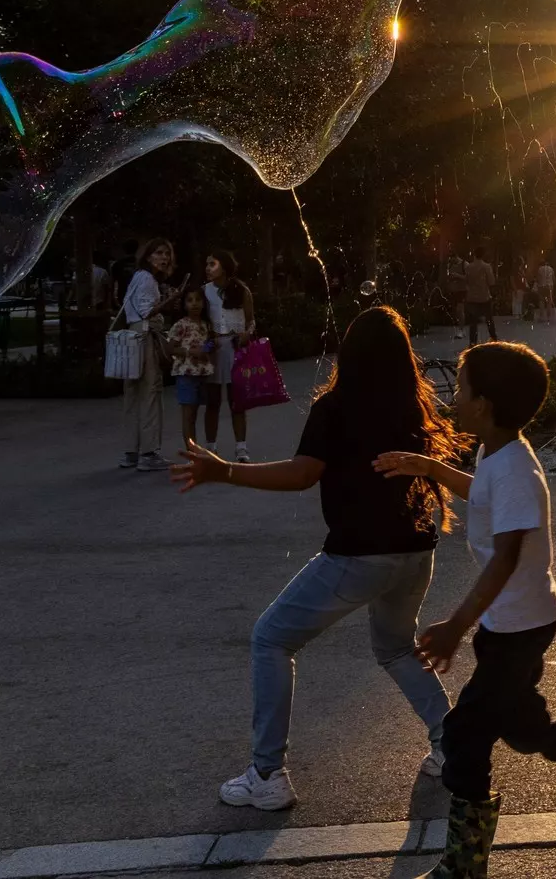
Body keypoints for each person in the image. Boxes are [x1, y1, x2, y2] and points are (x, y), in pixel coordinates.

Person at [376, 341, 556, 874]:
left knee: (464, 736)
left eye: (460, 389)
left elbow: (505, 557)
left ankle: (464, 865)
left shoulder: (514, 470)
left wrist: (455, 626)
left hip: (517, 629)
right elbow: (481, 495)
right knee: (525, 729)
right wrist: (428, 466)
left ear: (484, 404)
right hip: (514, 623)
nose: (452, 398)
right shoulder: (497, 453)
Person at [172, 307, 458, 810]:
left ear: (349, 353)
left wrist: (225, 473)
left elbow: (303, 473)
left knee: (271, 638)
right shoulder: (411, 405)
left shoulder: (337, 406)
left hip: (360, 555)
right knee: (394, 648)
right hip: (415, 551)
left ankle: (267, 773)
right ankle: (451, 744)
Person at [119, 237, 178, 472]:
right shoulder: (147, 279)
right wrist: (169, 301)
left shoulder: (138, 277)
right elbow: (146, 312)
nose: (164, 258)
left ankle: (130, 451)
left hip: (132, 337)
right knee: (150, 393)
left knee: (132, 395)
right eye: (159, 253)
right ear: (148, 256)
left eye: (167, 254)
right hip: (144, 336)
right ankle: (149, 453)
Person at [203, 250, 258, 462]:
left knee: (237, 402)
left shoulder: (241, 290)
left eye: (212, 264)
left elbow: (251, 320)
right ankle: (211, 447)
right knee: (213, 401)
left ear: (224, 267)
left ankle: (241, 448)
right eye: (206, 264)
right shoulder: (204, 292)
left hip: (236, 349)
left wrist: (246, 334)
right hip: (214, 351)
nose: (208, 268)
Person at [166, 286, 215, 446]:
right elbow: (170, 348)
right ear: (184, 304)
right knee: (188, 415)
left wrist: (210, 347)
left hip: (202, 373)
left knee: (196, 413)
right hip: (186, 373)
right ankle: (191, 451)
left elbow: (209, 344)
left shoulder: (206, 324)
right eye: (190, 300)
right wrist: (190, 352)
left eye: (198, 300)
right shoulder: (181, 325)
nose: (194, 304)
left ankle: (198, 448)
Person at [463, 248, 497, 345]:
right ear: (483, 255)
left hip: (472, 297)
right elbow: (491, 282)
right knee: (489, 319)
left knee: (473, 322)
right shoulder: (486, 267)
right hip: (484, 296)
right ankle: (493, 339)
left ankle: (473, 342)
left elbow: (467, 281)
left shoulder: (469, 267)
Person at [535, 254, 556, 324]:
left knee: (541, 301)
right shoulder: (551, 269)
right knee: (549, 302)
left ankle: (541, 316)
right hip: (549, 286)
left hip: (541, 286)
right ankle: (548, 317)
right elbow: (553, 278)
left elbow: (537, 279)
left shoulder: (539, 269)